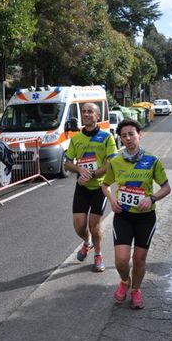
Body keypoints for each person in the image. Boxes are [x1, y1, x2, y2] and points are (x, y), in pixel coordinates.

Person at [101, 119, 171, 309]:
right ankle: (125, 281)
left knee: (139, 259)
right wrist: (112, 200)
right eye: (124, 136)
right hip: (123, 216)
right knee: (121, 260)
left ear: (139, 134)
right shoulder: (115, 161)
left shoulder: (152, 160)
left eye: (132, 134)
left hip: (145, 217)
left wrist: (152, 198)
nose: (128, 138)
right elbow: (105, 185)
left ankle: (136, 290)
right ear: (121, 139)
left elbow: (166, 188)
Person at [64, 103, 118, 272]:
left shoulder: (106, 137)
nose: (86, 114)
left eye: (90, 112)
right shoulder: (76, 138)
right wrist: (79, 170)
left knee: (94, 225)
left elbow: (111, 163)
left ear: (97, 116)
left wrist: (92, 175)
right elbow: (67, 163)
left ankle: (98, 254)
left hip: (99, 187)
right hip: (81, 187)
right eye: (84, 112)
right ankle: (87, 243)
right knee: (79, 226)